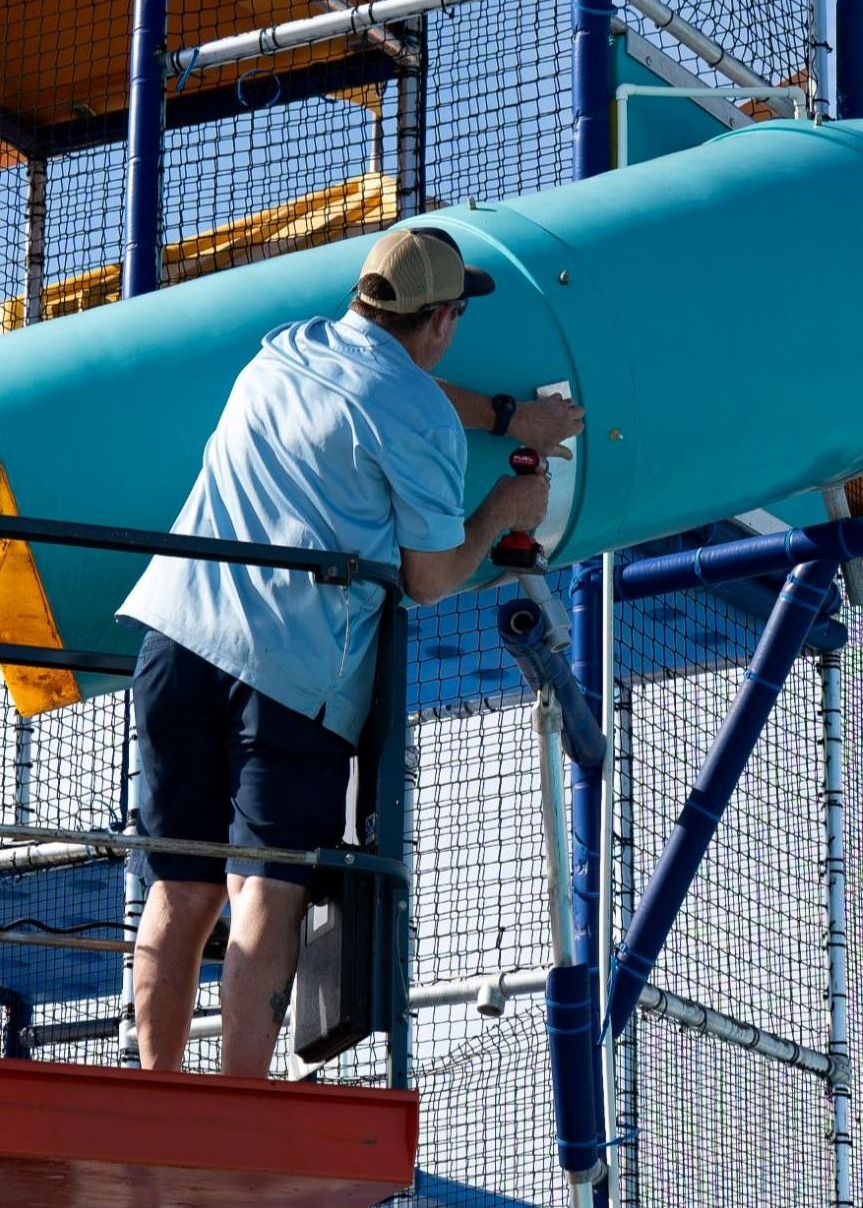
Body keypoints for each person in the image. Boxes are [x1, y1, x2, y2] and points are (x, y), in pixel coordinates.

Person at [119, 226, 585, 1076]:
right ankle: (237, 1107)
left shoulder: (285, 348)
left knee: (180, 885)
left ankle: (156, 1091)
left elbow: (390, 384)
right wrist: (503, 508)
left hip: (174, 635)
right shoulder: (420, 419)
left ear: (364, 295)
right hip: (291, 671)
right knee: (264, 885)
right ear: (441, 320)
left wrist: (506, 415)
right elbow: (430, 577)